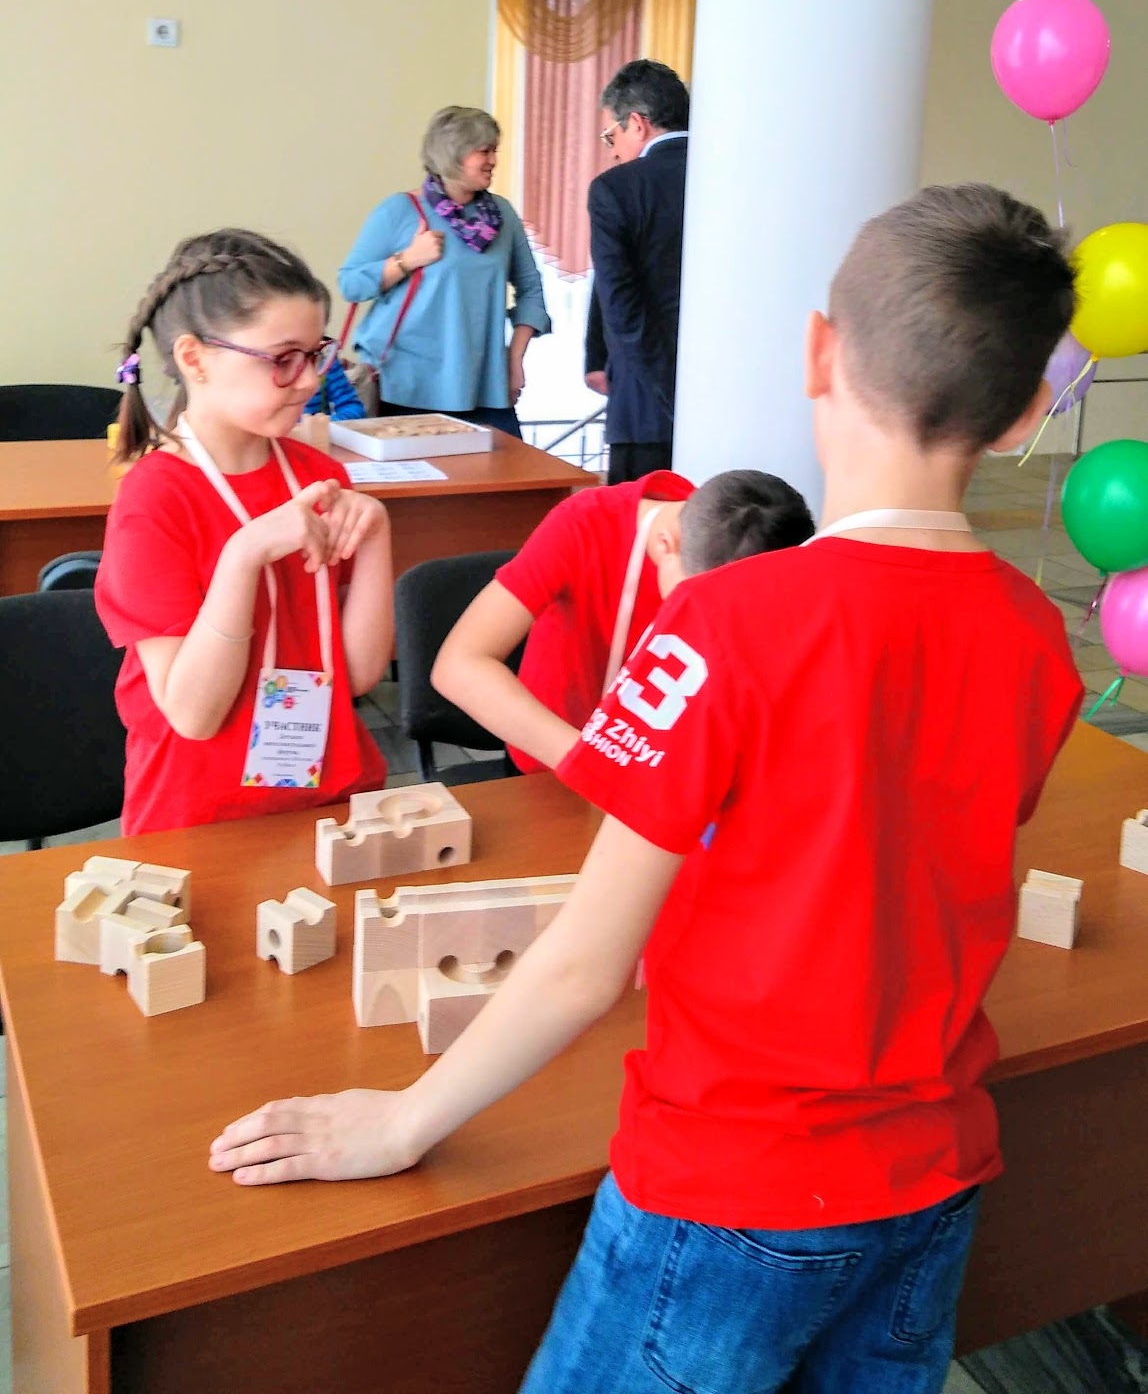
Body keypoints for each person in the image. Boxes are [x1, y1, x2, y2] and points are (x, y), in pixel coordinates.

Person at [208, 185, 1084, 1394]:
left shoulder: (725, 618)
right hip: (929, 1178)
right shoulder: (1036, 632)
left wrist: (404, 1120)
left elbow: (586, 960)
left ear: (816, 352)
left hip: (729, 1189)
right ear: (1027, 410)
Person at [96, 229, 393, 836]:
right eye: (283, 359)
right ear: (195, 359)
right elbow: (194, 714)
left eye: (314, 354)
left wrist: (377, 534)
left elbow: (358, 675)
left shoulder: (318, 477)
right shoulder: (154, 499)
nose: (309, 380)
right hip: (202, 820)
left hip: (329, 800)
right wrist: (244, 555)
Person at [432, 469, 814, 774]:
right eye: (703, 603)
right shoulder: (585, 522)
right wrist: (593, 767)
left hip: (669, 773)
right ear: (666, 545)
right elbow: (459, 666)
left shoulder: (753, 551)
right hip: (554, 765)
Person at [338, 106, 550, 439]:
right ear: (453, 155)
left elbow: (531, 289)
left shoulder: (503, 215)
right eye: (484, 151)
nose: (493, 160)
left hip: (486, 386)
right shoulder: (400, 210)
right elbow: (351, 284)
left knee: (509, 473)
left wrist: (514, 359)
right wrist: (407, 260)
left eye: (494, 150)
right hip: (407, 386)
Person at [587, 60, 690, 483]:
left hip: (646, 406)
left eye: (611, 136)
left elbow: (620, 301)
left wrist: (670, 392)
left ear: (637, 124)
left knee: (643, 520)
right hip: (732, 401)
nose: (612, 151)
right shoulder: (736, 178)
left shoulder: (616, 188)